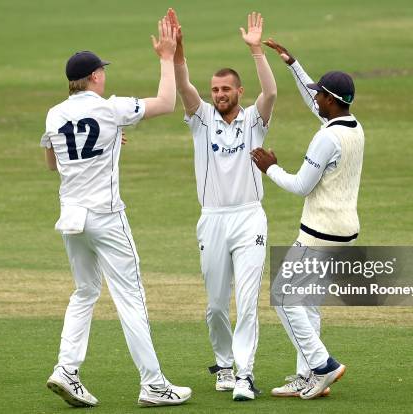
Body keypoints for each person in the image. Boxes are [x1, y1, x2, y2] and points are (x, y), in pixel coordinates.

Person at [40, 17, 191, 408]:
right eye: (101, 72)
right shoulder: (111, 109)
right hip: (106, 216)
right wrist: (167, 57)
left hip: (72, 217)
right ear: (93, 77)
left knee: (85, 291)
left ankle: (67, 369)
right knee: (131, 297)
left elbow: (53, 163)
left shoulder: (54, 115)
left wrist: (109, 142)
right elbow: (168, 103)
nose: (103, 77)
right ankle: (153, 385)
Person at [167, 8, 276, 401]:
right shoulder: (202, 120)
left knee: (247, 301)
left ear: (238, 92)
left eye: (225, 90)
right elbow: (183, 89)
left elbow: (272, 93)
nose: (219, 95)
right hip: (212, 220)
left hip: (249, 218)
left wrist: (257, 51)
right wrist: (178, 54)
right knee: (215, 305)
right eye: (214, 90)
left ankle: (245, 374)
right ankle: (224, 365)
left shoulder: (253, 121)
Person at [251, 38, 365, 400]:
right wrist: (292, 64)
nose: (315, 98)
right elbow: (314, 102)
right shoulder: (352, 126)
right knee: (307, 303)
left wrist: (270, 169)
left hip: (320, 231)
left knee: (284, 297)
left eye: (320, 95)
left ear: (332, 100)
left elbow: (301, 185)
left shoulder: (326, 140)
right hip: (344, 230)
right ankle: (308, 376)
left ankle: (323, 365)